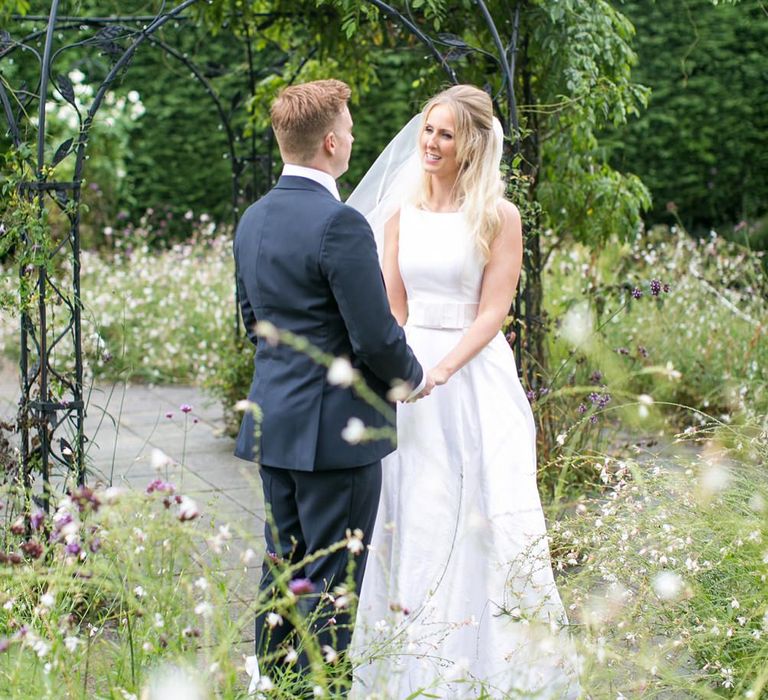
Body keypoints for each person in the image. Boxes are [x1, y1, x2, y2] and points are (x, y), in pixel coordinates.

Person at [347, 85, 581, 698]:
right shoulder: (401, 212)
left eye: (445, 134)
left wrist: (444, 369)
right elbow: (395, 306)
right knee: (414, 511)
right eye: (428, 130)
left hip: (473, 377)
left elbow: (492, 313)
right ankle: (409, 665)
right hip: (411, 374)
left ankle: (494, 665)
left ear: (471, 144)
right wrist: (400, 373)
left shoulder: (499, 217)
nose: (430, 143)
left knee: (483, 513)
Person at [232, 79, 434, 689]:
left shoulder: (253, 218)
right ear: (329, 143)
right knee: (332, 591)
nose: (351, 137)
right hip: (335, 437)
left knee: (281, 574)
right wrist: (413, 377)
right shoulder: (340, 224)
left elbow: (253, 322)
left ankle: (274, 686)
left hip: (274, 427)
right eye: (346, 129)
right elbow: (374, 337)